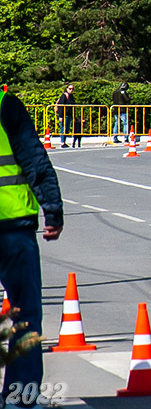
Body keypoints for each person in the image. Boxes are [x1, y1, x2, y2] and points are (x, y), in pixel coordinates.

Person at [0, 83, 64, 404]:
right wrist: (52, 209)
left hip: (13, 229)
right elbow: (34, 161)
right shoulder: (6, 106)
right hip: (12, 230)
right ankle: (20, 397)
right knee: (25, 315)